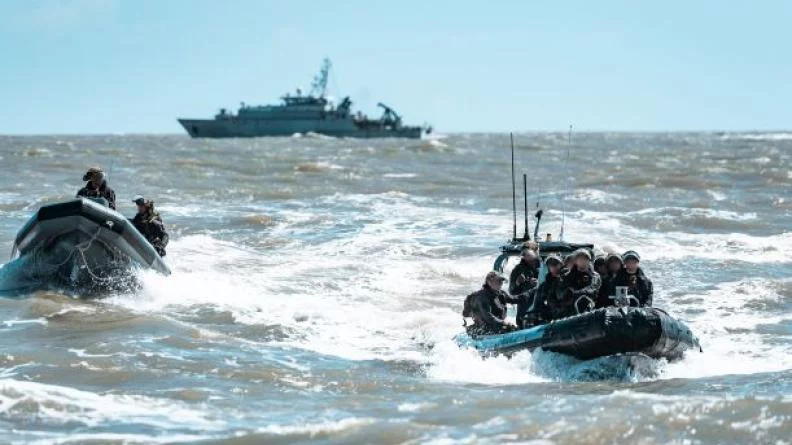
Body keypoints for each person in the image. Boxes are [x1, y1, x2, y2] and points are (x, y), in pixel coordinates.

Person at [462, 271, 521, 336]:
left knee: (513, 328)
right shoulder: (482, 297)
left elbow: (515, 299)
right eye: (498, 281)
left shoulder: (501, 294)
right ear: (489, 282)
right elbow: (488, 316)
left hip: (496, 325)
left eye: (501, 281)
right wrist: (504, 323)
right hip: (483, 328)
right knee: (508, 328)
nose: (501, 283)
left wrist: (531, 292)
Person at [523, 253, 568, 326]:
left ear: (561, 264)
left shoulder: (569, 278)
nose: (553, 266)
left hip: (569, 316)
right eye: (550, 264)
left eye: (555, 263)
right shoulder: (544, 286)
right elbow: (538, 304)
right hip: (552, 320)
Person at [562, 249, 601, 314]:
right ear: (576, 261)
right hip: (570, 309)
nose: (582, 261)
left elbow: (593, 288)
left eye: (585, 258)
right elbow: (564, 290)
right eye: (580, 258)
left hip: (589, 307)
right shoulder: (567, 276)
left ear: (589, 260)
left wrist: (579, 292)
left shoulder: (595, 276)